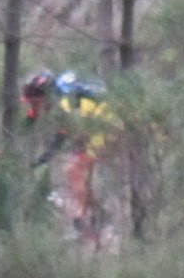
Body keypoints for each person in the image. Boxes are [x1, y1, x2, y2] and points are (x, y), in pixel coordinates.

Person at [21, 68, 119, 243]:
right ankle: (98, 216)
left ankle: (81, 222)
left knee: (75, 170)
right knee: (79, 171)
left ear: (44, 96)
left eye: (35, 102)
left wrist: (44, 158)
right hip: (99, 121)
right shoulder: (60, 88)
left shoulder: (63, 99)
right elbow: (32, 117)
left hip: (105, 123)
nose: (35, 107)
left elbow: (63, 134)